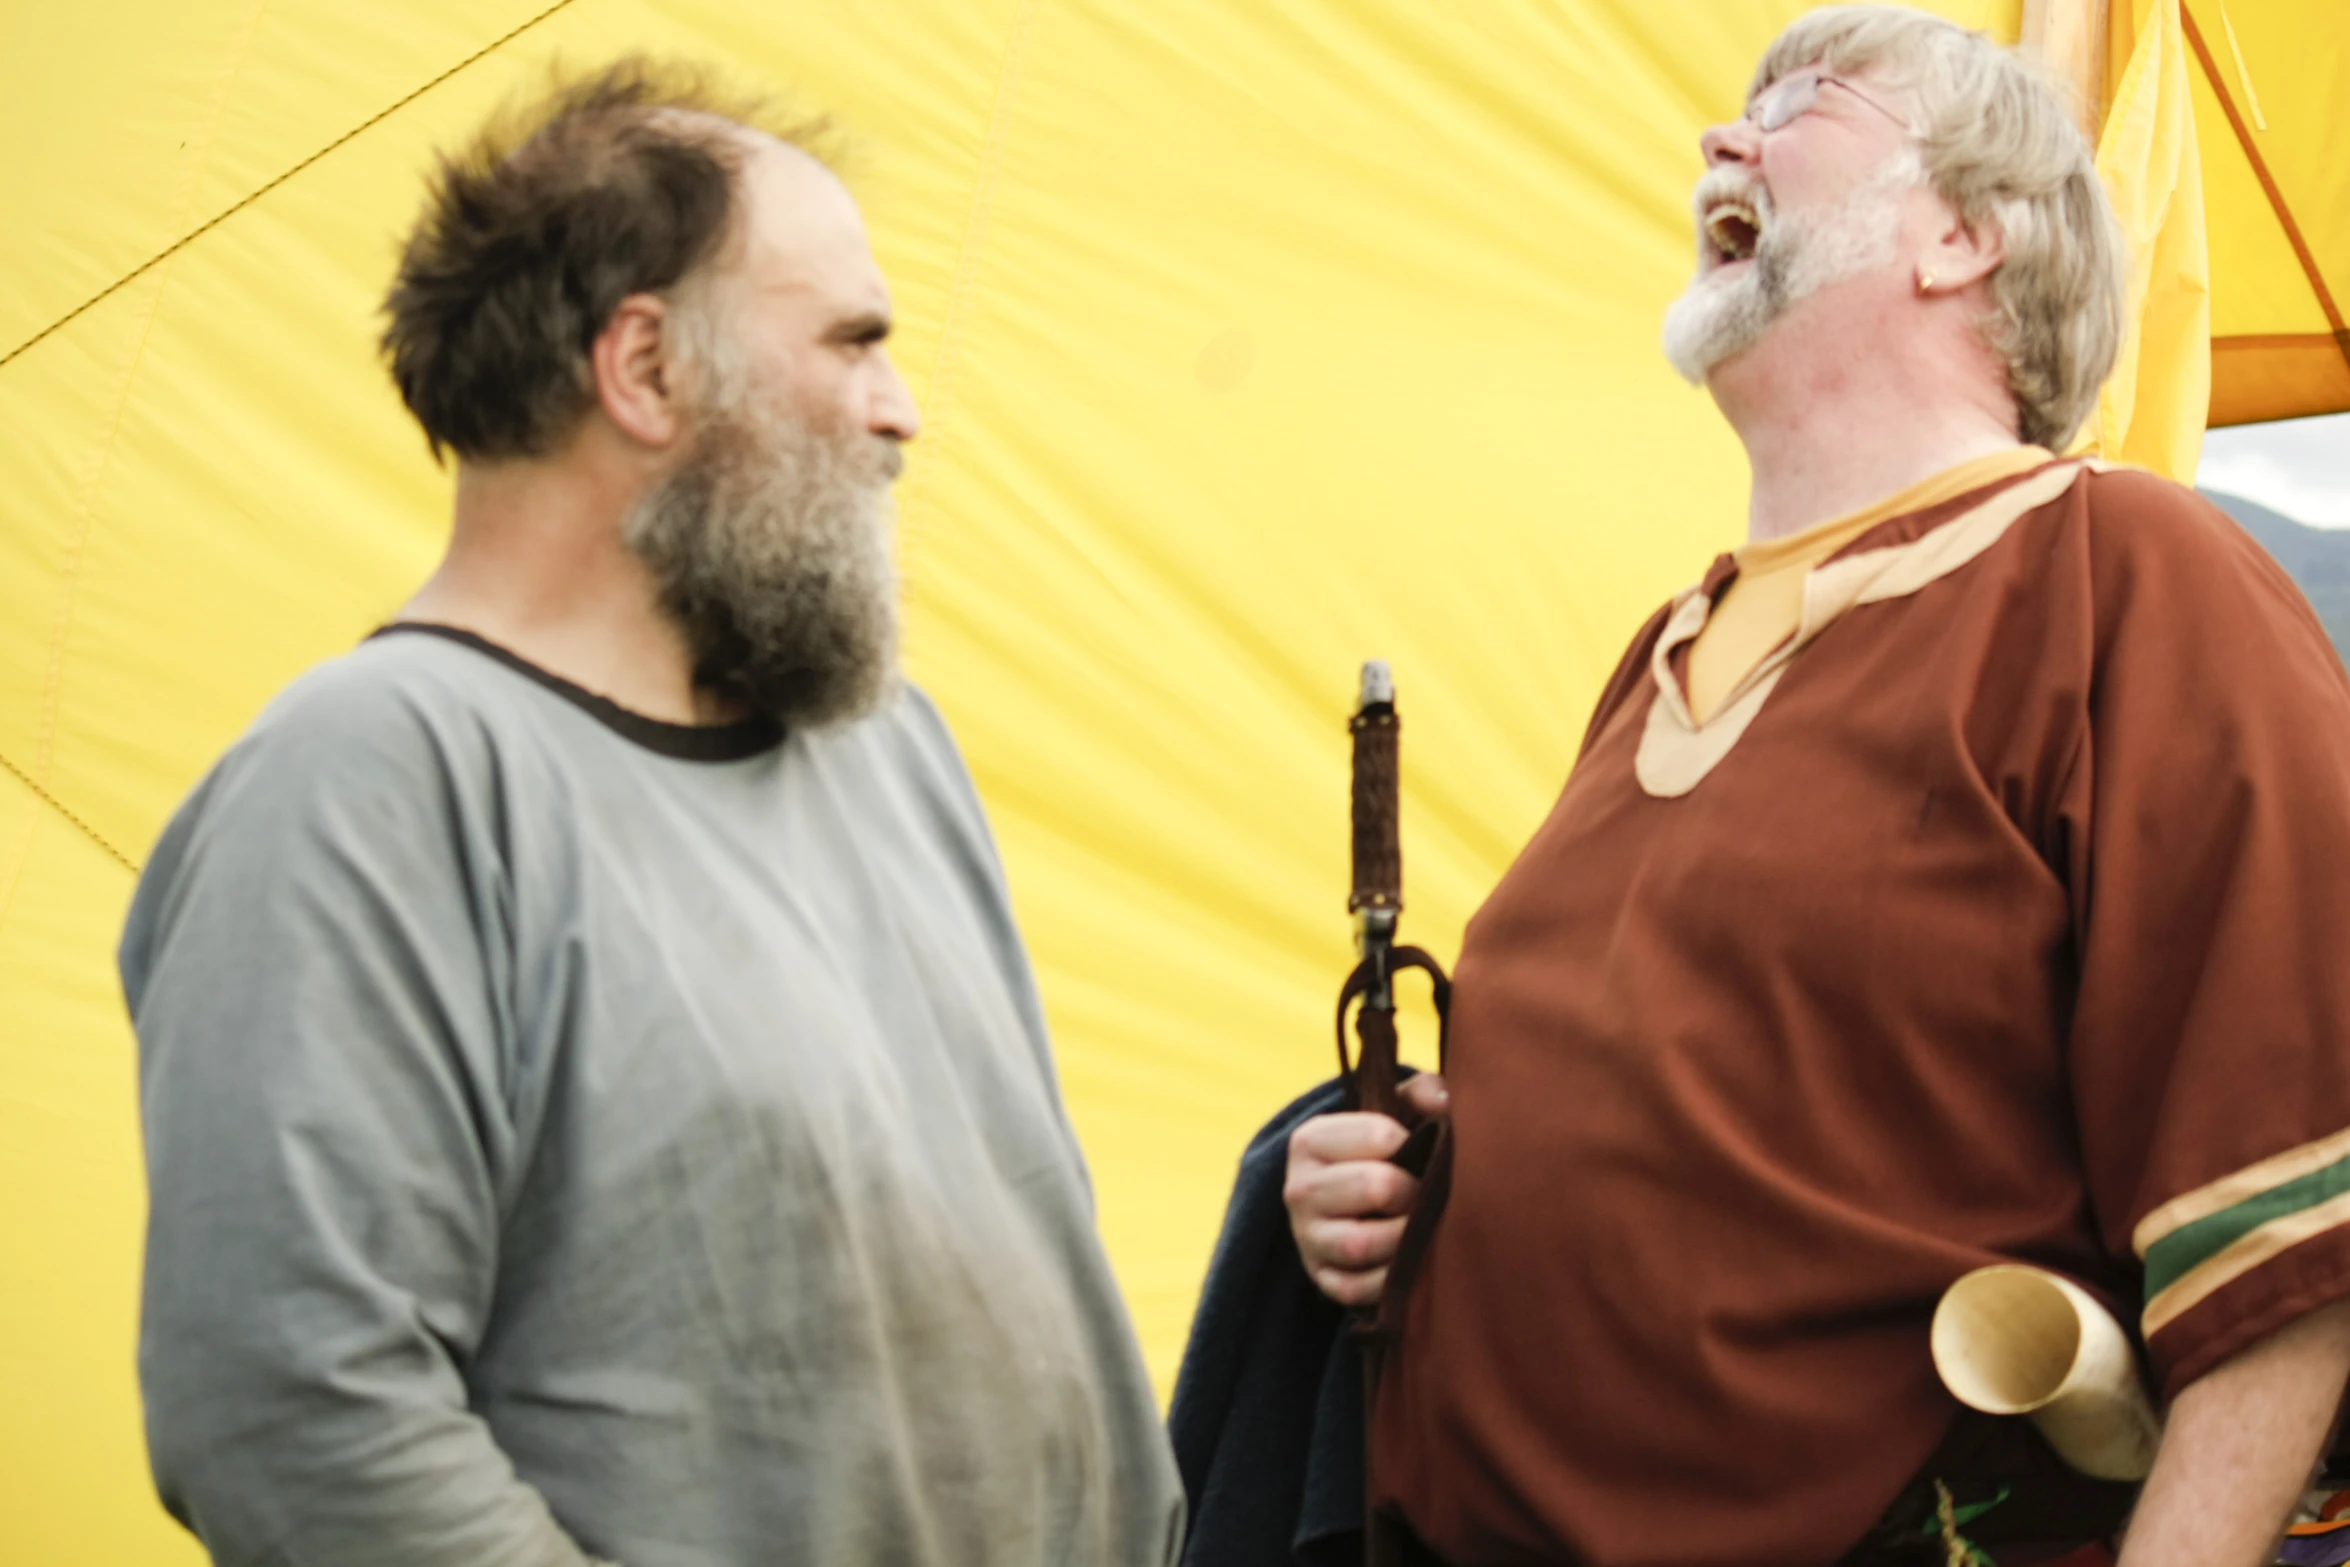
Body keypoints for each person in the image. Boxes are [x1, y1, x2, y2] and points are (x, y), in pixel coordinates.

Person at [1282, 8, 2350, 1566]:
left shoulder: (2120, 574)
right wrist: (1402, 1194)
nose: (1722, 139)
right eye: (1733, 109)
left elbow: (2292, 1236)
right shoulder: (1668, 646)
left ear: (1963, 238)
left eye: (1805, 104)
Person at [121, 61, 1183, 1567]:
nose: (903, 411)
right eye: (854, 341)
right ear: (647, 369)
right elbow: (294, 1409)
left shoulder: (881, 744)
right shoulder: (374, 779)